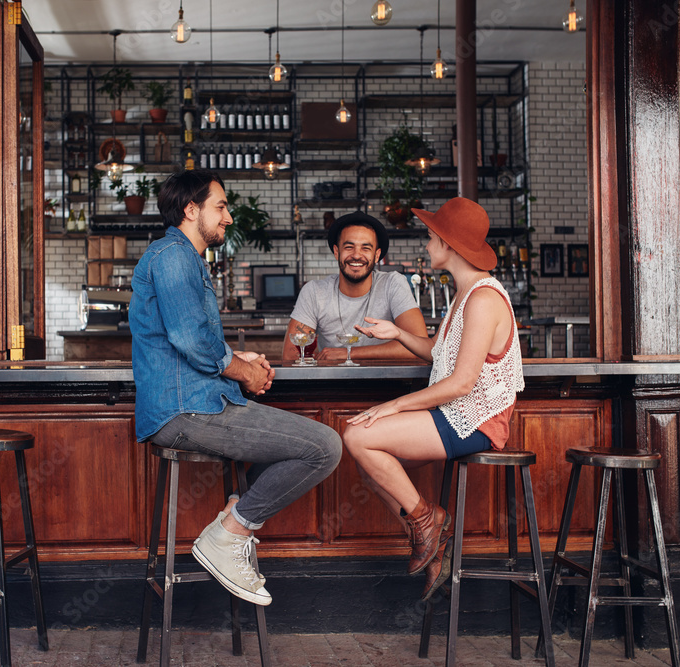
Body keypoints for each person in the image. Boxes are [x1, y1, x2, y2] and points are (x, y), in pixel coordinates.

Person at [130, 169, 342, 607]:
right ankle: (227, 534)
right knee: (324, 446)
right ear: (192, 209)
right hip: (184, 411)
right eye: (221, 206)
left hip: (200, 403)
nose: (228, 217)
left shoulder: (187, 258)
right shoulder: (172, 255)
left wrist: (242, 361)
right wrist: (244, 373)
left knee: (316, 447)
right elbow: (189, 339)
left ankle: (233, 521)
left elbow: (199, 338)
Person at [341, 198, 524, 601]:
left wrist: (393, 405)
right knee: (370, 463)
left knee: (357, 437)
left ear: (448, 244)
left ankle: (429, 520)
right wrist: (398, 334)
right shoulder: (464, 294)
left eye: (430, 237)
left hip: (474, 420)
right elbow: (440, 354)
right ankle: (432, 540)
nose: (426, 245)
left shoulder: (483, 299)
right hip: (453, 414)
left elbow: (461, 384)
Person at [282, 212, 428, 362]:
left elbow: (420, 346)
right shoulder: (314, 291)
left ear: (377, 255)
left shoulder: (393, 283)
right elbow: (291, 355)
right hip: (331, 383)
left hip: (388, 382)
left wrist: (348, 353)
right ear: (337, 252)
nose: (357, 255)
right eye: (349, 247)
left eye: (366, 248)